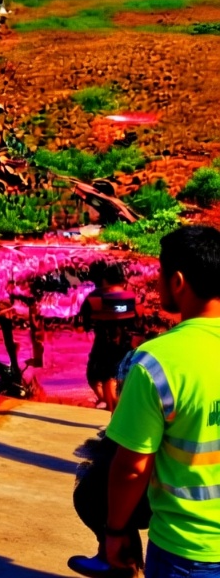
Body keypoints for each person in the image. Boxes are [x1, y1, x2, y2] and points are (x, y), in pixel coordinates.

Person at [72, 225, 220, 577]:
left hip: (189, 549)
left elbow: (132, 467)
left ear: (178, 282)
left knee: (94, 478)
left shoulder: (157, 362)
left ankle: (118, 560)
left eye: (159, 274)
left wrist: (115, 531)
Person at [80, 262, 140, 412]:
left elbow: (84, 323)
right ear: (123, 280)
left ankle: (113, 411)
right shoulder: (132, 298)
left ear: (105, 279)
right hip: (126, 345)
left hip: (103, 344)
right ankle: (114, 410)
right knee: (113, 379)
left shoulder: (94, 297)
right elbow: (139, 322)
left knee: (98, 377)